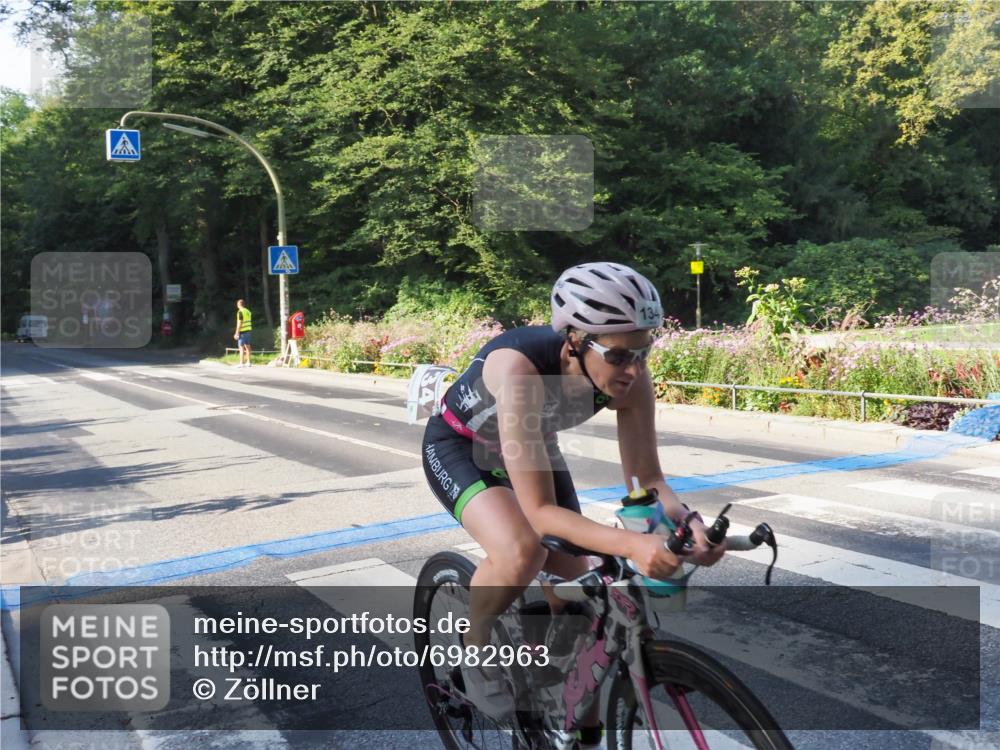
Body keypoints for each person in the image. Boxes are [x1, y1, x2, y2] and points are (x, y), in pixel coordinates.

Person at [420, 262, 725, 739]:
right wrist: (632, 546)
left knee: (581, 593)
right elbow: (541, 515)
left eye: (645, 352)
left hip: (533, 445)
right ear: (574, 341)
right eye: (621, 355)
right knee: (523, 550)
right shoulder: (518, 370)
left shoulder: (630, 378)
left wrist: (688, 523)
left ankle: (556, 697)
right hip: (463, 448)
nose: (634, 368)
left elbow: (648, 480)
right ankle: (475, 644)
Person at [233, 299, 253, 367]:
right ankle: (249, 362)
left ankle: (241, 363)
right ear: (244, 304)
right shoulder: (248, 311)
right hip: (248, 330)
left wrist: (236, 333)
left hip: (242, 331)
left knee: (241, 347)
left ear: (238, 305)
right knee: (248, 346)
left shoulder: (240, 312)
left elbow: (239, 323)